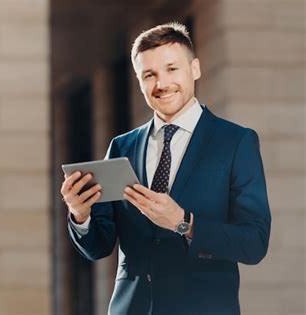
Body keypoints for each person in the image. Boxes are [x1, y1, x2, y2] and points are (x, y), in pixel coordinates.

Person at [60, 22, 271, 315]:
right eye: (150, 75)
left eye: (172, 69)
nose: (162, 83)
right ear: (140, 81)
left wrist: (184, 223)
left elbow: (254, 243)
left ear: (194, 69)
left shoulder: (236, 142)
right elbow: (99, 246)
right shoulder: (123, 147)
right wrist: (80, 215)